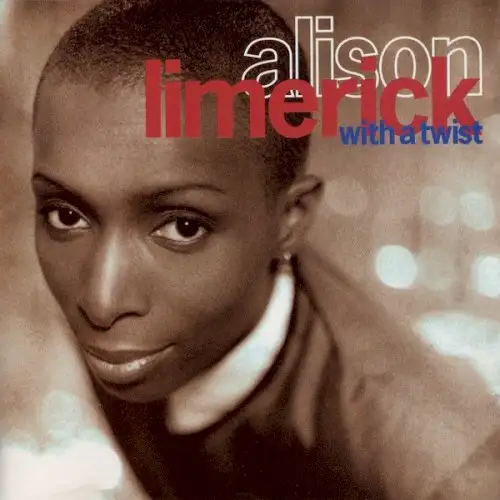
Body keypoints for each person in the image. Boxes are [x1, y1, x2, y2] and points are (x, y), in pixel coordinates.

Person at [30, 0, 500, 498]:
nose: (100, 302)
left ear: (291, 220)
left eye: (183, 227)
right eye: (66, 214)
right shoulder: (120, 305)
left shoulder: (434, 476)